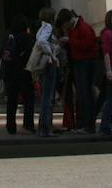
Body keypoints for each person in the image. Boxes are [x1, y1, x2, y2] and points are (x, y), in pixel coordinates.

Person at [34, 8, 72, 136]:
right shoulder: (48, 27)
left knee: (47, 96)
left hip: (46, 65)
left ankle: (44, 126)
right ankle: (45, 127)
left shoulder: (42, 27)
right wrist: (52, 52)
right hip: (50, 64)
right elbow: (42, 42)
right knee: (48, 97)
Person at [0, 14, 35, 134]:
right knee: (28, 98)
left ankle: (10, 126)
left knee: (11, 100)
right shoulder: (25, 36)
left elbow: (1, 53)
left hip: (9, 72)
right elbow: (31, 54)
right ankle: (28, 124)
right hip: (22, 72)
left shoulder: (7, 36)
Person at [66, 9, 100, 132]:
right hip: (80, 62)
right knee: (82, 95)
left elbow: (86, 45)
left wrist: (69, 41)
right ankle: (85, 124)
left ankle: (88, 125)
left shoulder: (83, 28)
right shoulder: (77, 28)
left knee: (86, 94)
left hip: (85, 62)